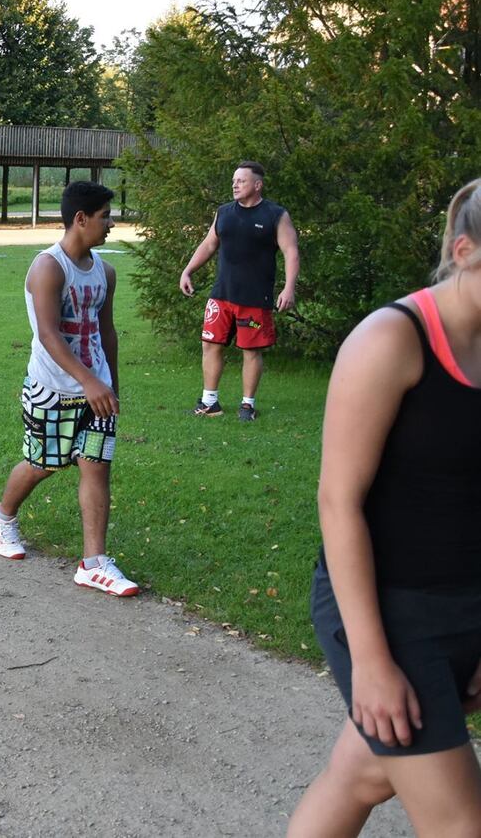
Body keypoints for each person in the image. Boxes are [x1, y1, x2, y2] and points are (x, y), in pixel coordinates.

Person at [286, 180, 481, 838]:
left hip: (465, 599)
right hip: (386, 611)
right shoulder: (391, 340)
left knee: (363, 773)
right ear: (464, 251)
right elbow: (337, 502)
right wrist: (370, 662)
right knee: (461, 823)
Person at [0, 181, 137, 597]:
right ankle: (2, 516)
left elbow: (107, 333)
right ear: (81, 219)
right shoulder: (48, 268)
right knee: (43, 463)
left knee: (96, 466)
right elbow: (50, 336)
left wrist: (110, 386)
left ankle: (93, 562)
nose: (112, 223)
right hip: (51, 388)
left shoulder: (105, 271)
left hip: (95, 390)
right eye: (106, 216)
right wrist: (89, 382)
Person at [179, 160, 300, 421]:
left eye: (241, 181)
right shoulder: (224, 212)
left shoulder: (275, 215)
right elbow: (209, 244)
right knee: (210, 345)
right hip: (221, 294)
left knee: (250, 350)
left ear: (258, 185)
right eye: (234, 180)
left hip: (255, 298)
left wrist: (289, 288)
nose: (235, 184)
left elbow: (291, 252)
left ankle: (247, 405)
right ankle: (210, 402)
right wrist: (188, 270)